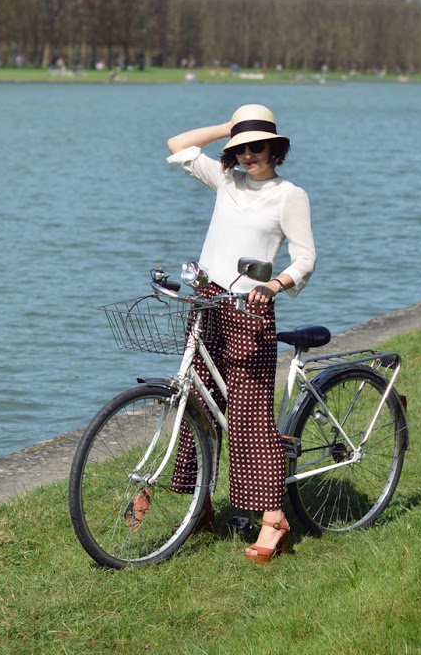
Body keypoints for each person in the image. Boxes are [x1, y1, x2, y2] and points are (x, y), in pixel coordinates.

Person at [165, 103, 316, 563]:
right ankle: (200, 507)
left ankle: (274, 518)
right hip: (208, 301)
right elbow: (178, 145)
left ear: (276, 147)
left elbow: (305, 257)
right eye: (241, 147)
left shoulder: (290, 195)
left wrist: (272, 286)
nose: (249, 155)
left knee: (250, 416)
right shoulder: (225, 181)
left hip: (251, 307)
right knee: (199, 403)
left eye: (257, 146)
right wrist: (228, 128)